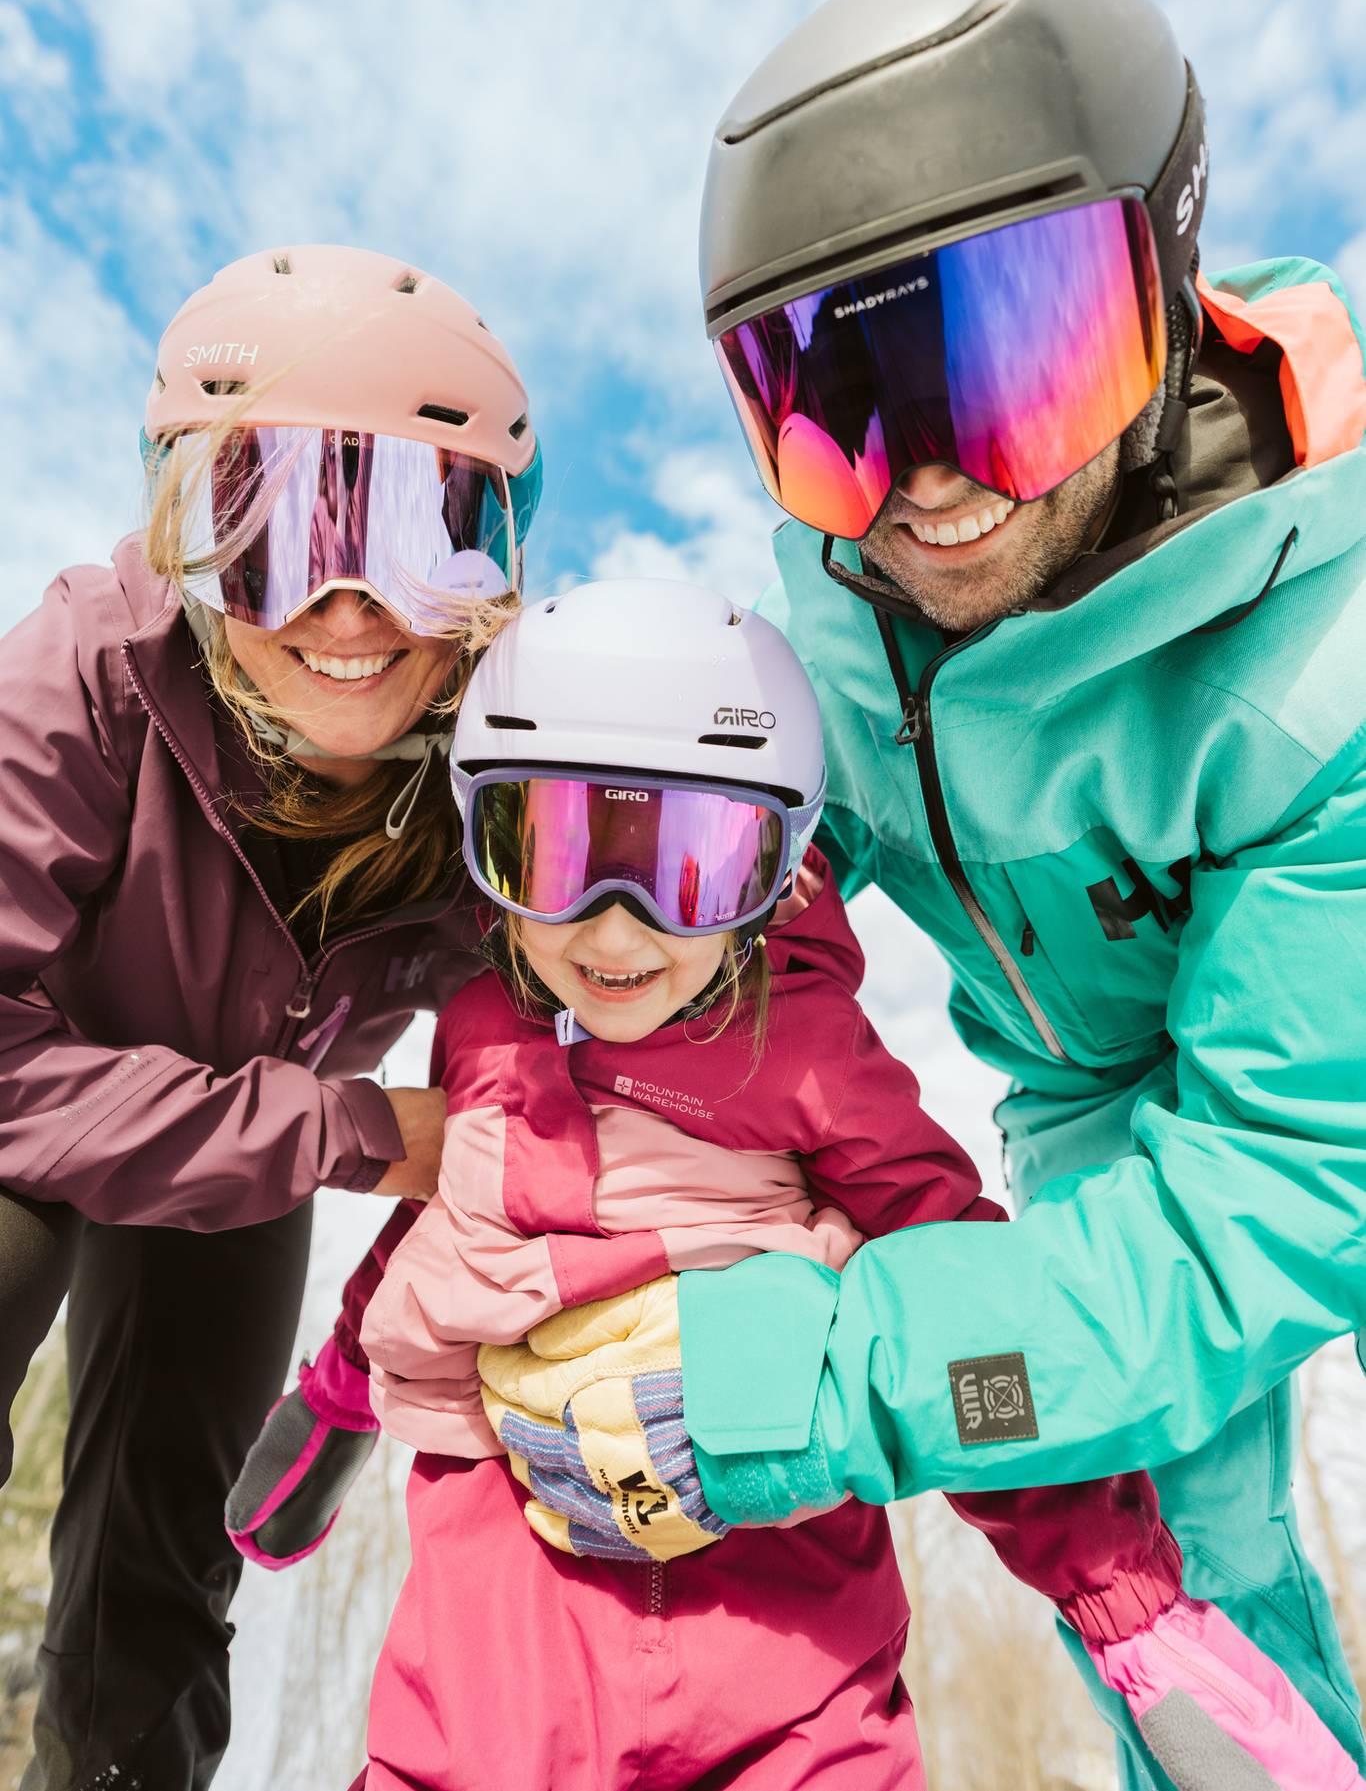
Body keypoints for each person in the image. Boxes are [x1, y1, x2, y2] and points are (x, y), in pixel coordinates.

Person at [468, 0, 1366, 1788]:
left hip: (1291, 1118)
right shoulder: (859, 604)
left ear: (1168, 288)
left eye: (1015, 361)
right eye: (834, 397)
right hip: (1097, 1100)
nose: (930, 486)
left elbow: (1265, 1200)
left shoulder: (1329, 673)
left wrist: (818, 1370)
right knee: (1180, 1527)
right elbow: (758, 885)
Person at [276, 578, 1348, 1791]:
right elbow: (442, 1233)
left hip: (783, 1659)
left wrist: (1126, 1604)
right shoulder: (484, 1030)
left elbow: (974, 1320)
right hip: (494, 1647)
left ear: (776, 870)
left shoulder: (809, 1066)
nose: (615, 935)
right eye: (561, 850)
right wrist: (333, 1400)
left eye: (691, 869)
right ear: (487, 850)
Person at [0, 242, 541, 1791]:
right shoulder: (90, 669)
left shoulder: (492, 769)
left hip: (233, 1175)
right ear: (187, 534)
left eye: (423, 538)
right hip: (36, 1118)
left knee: (166, 1566)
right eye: (277, 530)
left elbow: (569, 1040)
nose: (349, 609)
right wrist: (358, 1129)